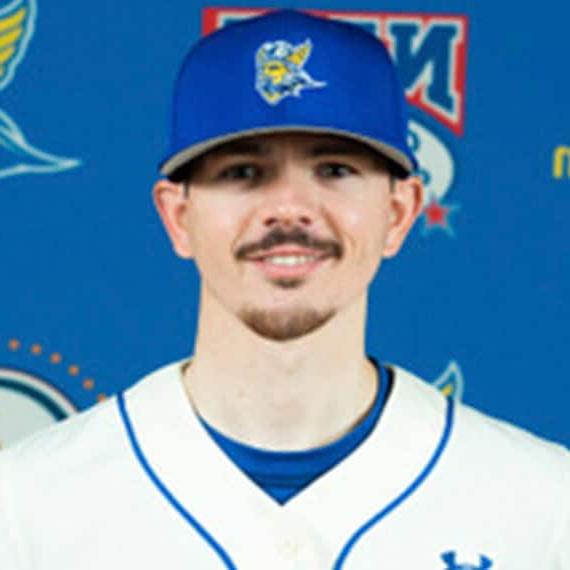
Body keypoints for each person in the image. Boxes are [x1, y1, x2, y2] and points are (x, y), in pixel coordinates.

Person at [0, 10, 568, 570]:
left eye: (335, 170)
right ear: (178, 218)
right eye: (243, 172)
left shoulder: (542, 508)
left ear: (399, 213)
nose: (290, 208)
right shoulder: (25, 509)